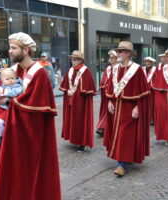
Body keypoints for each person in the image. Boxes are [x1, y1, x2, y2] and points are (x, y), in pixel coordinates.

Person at [0, 32, 61, 200]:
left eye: (14, 48)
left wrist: (9, 100)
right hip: (11, 131)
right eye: (10, 47)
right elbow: (6, 94)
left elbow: (36, 106)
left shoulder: (39, 74)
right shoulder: (14, 71)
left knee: (28, 173)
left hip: (30, 136)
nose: (9, 51)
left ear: (26, 49)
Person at [103, 41, 150, 176]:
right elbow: (111, 88)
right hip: (116, 107)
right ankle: (122, 158)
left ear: (129, 54)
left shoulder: (137, 70)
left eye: (121, 51)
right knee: (117, 135)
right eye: (118, 51)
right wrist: (109, 101)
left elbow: (144, 91)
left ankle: (121, 165)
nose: (118, 54)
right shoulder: (115, 69)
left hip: (129, 108)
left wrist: (138, 107)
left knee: (125, 135)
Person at [59, 50, 96, 152]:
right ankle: (75, 139)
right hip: (71, 100)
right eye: (72, 59)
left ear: (80, 60)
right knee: (72, 120)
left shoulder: (86, 71)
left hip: (81, 103)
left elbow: (87, 89)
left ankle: (82, 143)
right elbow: (65, 85)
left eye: (75, 59)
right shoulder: (71, 70)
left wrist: (75, 93)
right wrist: (68, 91)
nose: (73, 61)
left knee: (80, 121)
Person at [0, 68, 23, 145]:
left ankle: (2, 136)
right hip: (1, 108)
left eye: (12, 78)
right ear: (2, 80)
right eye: (7, 79)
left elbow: (13, 93)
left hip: (8, 109)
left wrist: (4, 91)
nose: (10, 80)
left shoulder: (17, 86)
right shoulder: (2, 86)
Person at [96, 50, 118, 136]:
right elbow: (103, 81)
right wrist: (104, 88)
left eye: (113, 57)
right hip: (106, 94)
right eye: (110, 57)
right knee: (105, 111)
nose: (111, 59)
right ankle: (102, 127)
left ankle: (107, 128)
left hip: (115, 94)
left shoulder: (120, 68)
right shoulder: (108, 69)